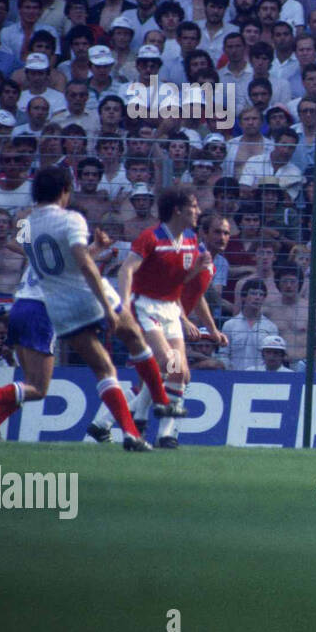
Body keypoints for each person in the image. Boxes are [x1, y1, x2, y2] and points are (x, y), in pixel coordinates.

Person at [0, 169, 153, 450]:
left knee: (31, 382)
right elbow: (64, 260)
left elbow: (43, 252)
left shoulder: (30, 221)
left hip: (23, 302)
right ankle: (130, 433)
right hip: (46, 307)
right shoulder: (54, 222)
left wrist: (92, 248)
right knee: (41, 387)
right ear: (63, 192)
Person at [86, 187, 207, 449]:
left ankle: (162, 432)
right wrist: (124, 306)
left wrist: (196, 271)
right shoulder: (150, 237)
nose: (198, 211)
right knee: (167, 362)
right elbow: (127, 269)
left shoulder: (190, 240)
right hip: (145, 306)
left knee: (180, 373)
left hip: (170, 309)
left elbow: (178, 281)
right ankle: (146, 418)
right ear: (178, 209)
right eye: (193, 206)